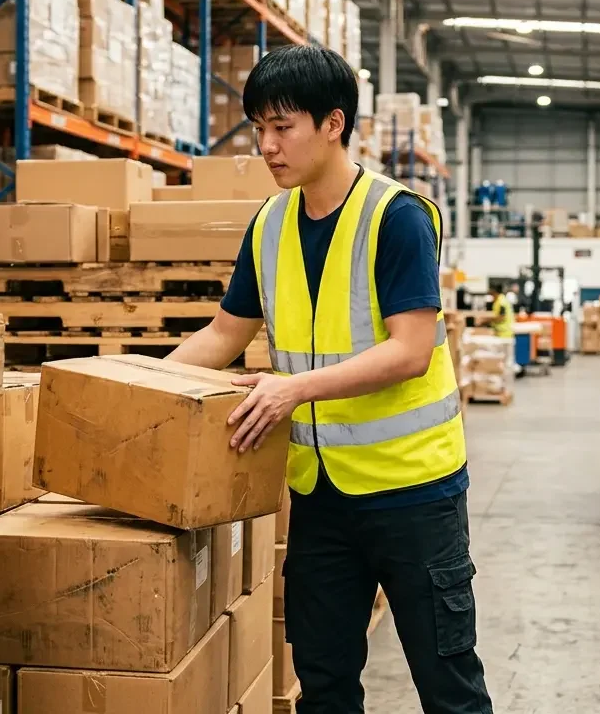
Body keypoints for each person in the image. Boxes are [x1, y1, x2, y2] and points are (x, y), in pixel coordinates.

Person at [166, 45, 493, 714]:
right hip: (322, 497)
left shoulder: (396, 217)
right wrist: (134, 380)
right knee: (324, 682)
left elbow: (412, 348)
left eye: (282, 127)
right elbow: (225, 334)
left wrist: (293, 389)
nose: (267, 145)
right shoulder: (270, 225)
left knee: (448, 684)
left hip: (414, 495)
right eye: (259, 128)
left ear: (333, 123)